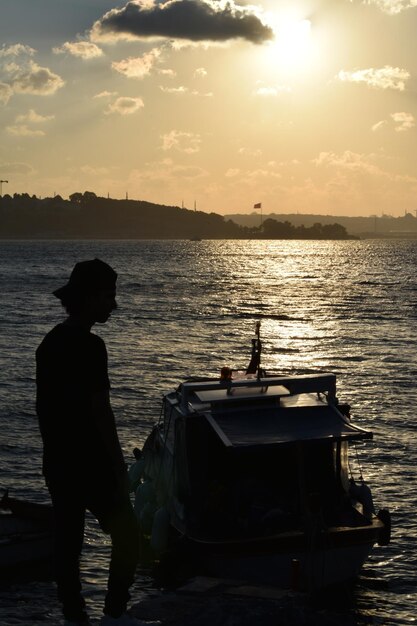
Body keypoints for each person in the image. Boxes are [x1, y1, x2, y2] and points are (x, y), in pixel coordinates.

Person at [36, 259, 143, 626]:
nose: (114, 304)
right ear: (90, 297)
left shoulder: (48, 344)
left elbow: (44, 411)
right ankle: (114, 614)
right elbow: (101, 413)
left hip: (59, 464)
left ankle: (74, 618)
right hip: (92, 465)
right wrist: (119, 467)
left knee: (67, 548)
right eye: (109, 295)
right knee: (128, 537)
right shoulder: (91, 346)